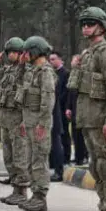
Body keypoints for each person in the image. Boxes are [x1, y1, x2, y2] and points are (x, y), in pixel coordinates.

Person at [69, 8, 106, 211]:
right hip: (89, 118)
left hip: (101, 120)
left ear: (101, 26)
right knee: (96, 167)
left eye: (90, 23)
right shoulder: (88, 53)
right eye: (83, 23)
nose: (85, 27)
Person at [14, 36, 56, 210]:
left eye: (27, 51)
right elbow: (21, 88)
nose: (24, 55)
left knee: (39, 160)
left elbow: (47, 100)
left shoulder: (45, 72)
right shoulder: (33, 71)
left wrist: (42, 124)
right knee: (32, 160)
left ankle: (40, 196)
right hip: (30, 121)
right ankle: (34, 194)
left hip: (40, 124)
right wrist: (25, 121)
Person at [0, 38, 26, 189]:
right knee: (7, 152)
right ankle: (12, 176)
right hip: (4, 117)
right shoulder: (6, 70)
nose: (11, 55)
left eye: (14, 52)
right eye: (9, 52)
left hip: (17, 117)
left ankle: (20, 182)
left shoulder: (25, 70)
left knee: (19, 153)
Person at [47, 51, 70, 182]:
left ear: (60, 59)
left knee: (59, 140)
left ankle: (59, 168)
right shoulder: (52, 73)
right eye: (50, 59)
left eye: (53, 59)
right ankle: (55, 166)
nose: (51, 61)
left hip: (59, 110)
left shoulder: (64, 73)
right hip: (54, 110)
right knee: (55, 141)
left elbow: (65, 92)